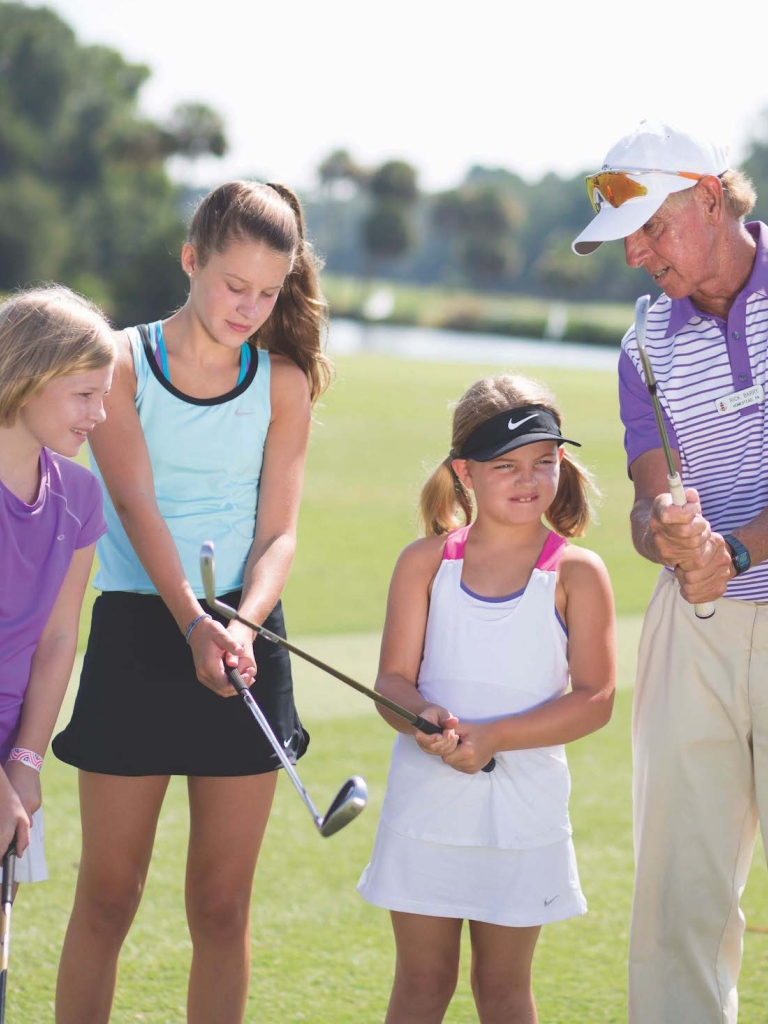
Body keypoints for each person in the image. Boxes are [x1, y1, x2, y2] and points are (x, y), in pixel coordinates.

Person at [52, 180, 331, 1024]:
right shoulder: (119, 361)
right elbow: (133, 505)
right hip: (141, 631)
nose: (248, 307)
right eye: (231, 285)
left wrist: (240, 623)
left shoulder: (284, 382)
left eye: (268, 292)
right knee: (106, 898)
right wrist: (193, 621)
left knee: (221, 908)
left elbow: (280, 532)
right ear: (190, 260)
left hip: (246, 638)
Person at [572, 119, 768, 1024]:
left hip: (739, 578)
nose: (637, 258)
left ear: (711, 195)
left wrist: (736, 550)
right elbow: (653, 496)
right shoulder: (644, 342)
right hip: (697, 626)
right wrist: (672, 532)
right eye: (627, 239)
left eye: (651, 229)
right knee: (677, 902)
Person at [357, 373, 616, 1024]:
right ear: (465, 473)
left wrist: (495, 737)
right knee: (421, 984)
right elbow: (392, 684)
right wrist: (420, 717)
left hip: (521, 811)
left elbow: (596, 698)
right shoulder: (424, 563)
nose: (528, 480)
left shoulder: (577, 573)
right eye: (506, 466)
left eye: (544, 462)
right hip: (428, 806)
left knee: (503, 993)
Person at [0, 285, 115, 888]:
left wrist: (24, 762)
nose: (99, 415)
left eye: (105, 396)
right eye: (83, 395)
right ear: (26, 376)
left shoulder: (81, 495)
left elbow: (58, 639)